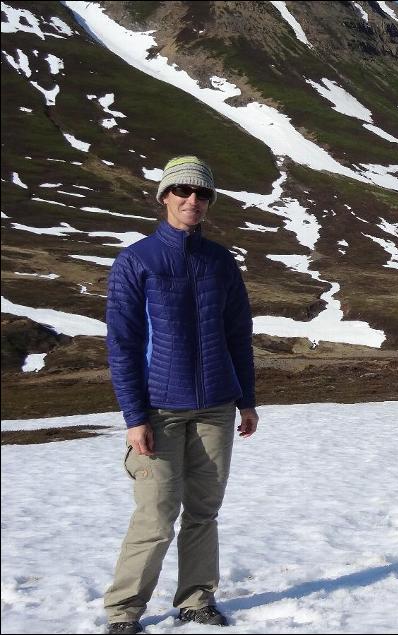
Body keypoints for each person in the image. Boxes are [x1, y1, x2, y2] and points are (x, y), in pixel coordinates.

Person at [103, 156, 258, 634]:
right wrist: (134, 415)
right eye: (184, 192)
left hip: (215, 406)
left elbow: (238, 333)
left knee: (204, 512)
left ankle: (196, 599)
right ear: (165, 196)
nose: (193, 200)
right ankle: (124, 611)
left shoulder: (220, 261)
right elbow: (123, 343)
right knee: (155, 514)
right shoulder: (137, 260)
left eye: (203, 194)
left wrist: (246, 399)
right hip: (159, 410)